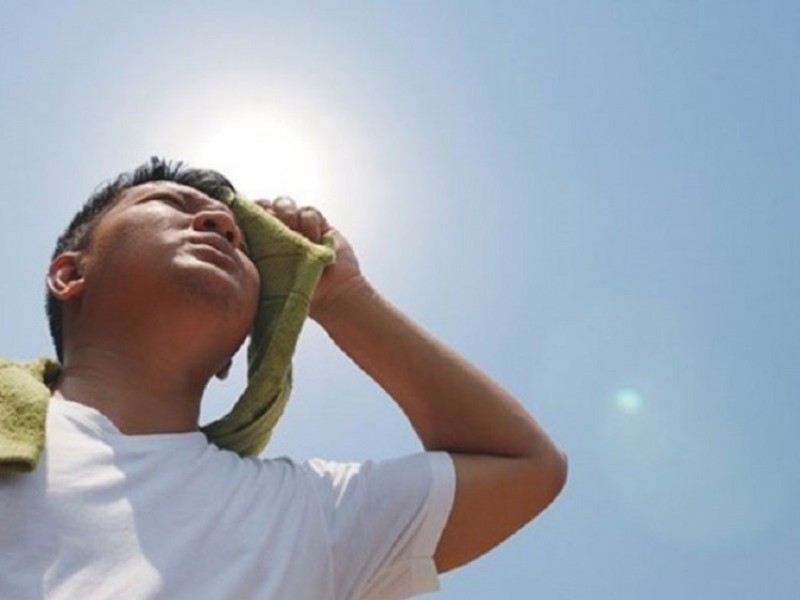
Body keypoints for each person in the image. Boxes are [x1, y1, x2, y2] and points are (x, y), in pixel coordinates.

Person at [0, 157, 567, 599]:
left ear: (232, 357)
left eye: (243, 245)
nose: (220, 223)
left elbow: (525, 467)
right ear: (70, 273)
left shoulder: (305, 517)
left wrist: (345, 297)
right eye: (169, 202)